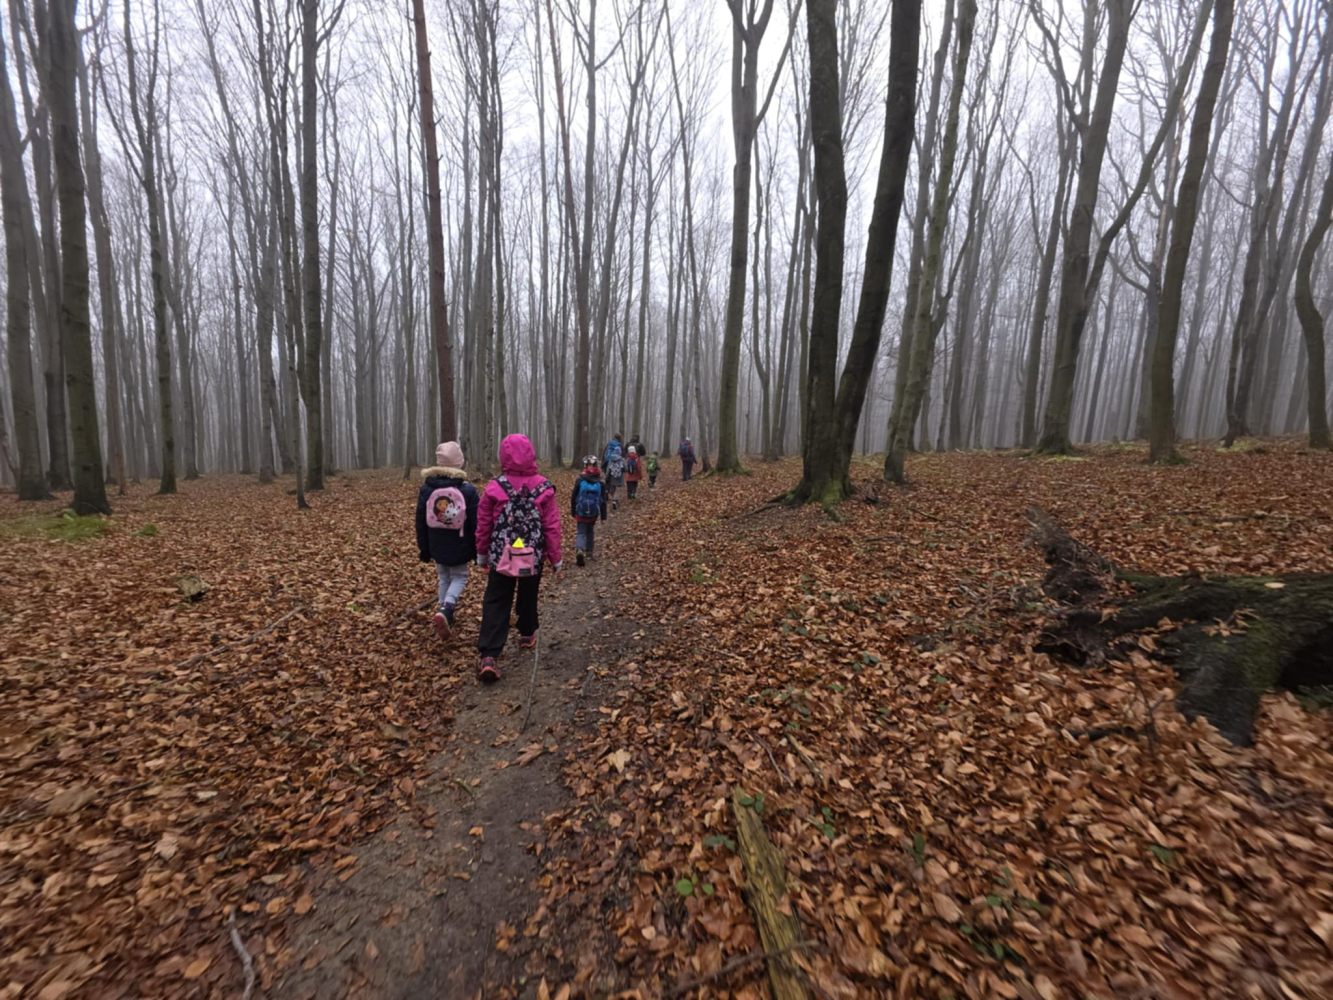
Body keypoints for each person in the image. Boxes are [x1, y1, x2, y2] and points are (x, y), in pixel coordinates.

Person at [474, 434, 562, 683]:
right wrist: (555, 557)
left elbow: (484, 524)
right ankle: (526, 633)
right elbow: (551, 526)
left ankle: (489, 655)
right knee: (528, 593)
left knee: (497, 600)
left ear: (503, 456)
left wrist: (482, 554)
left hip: (501, 556)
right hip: (532, 556)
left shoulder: (495, 487)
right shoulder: (544, 487)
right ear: (532, 455)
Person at [416, 441, 479, 641]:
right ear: (459, 463)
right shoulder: (467, 490)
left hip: (435, 543)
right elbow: (476, 522)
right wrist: (478, 549)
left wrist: (424, 548)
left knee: (444, 577)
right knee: (459, 576)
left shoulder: (427, 489)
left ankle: (443, 612)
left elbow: (420, 521)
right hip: (460, 543)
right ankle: (447, 608)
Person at [571, 455, 607, 566]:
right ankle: (589, 552)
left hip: (581, 511)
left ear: (585, 466)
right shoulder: (600, 482)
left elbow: (573, 496)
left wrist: (573, 511)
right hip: (593, 512)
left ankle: (580, 549)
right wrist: (603, 516)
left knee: (581, 531)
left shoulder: (580, 480)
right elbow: (603, 500)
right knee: (590, 531)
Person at [603, 434, 626, 511]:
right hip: (619, 472)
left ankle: (607, 492)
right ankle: (615, 500)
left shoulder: (609, 444)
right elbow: (624, 456)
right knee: (618, 487)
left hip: (608, 464)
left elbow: (604, 454)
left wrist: (603, 464)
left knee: (609, 481)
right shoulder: (620, 446)